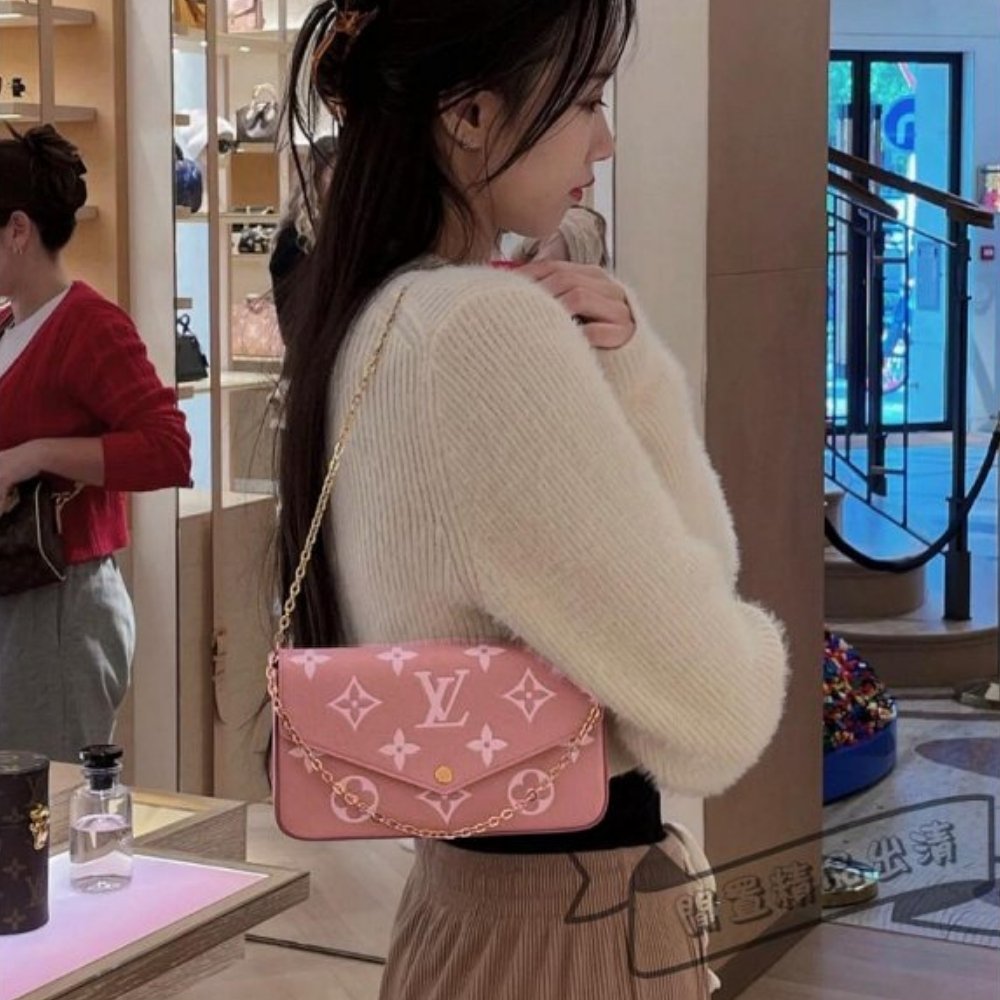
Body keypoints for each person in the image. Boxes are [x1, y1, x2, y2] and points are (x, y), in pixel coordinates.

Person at [278, 3, 789, 998]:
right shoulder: (480, 332)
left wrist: (633, 373)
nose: (604, 140)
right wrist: (740, 650)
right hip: (568, 932)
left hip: (466, 908)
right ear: (470, 114)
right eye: (587, 99)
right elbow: (718, 713)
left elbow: (692, 591)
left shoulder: (383, 314)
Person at [0, 124, 192, 763]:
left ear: (18, 230)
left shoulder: (89, 326)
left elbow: (168, 449)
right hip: (17, 592)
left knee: (43, 797)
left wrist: (35, 456)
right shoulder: (8, 325)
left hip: (60, 602)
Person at [269, 132, 338, 341]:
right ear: (314, 177)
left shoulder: (343, 231)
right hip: (311, 347)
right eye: (334, 173)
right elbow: (294, 319)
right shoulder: (293, 241)